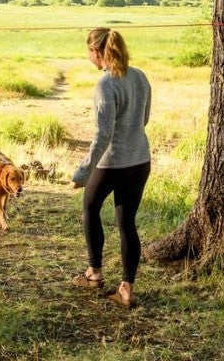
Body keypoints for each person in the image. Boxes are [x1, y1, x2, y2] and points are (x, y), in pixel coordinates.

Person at [70, 27, 151, 309]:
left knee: (90, 207)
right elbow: (145, 118)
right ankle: (126, 289)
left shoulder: (106, 84)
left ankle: (94, 272)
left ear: (96, 52)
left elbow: (103, 135)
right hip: (140, 161)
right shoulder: (139, 76)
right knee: (126, 223)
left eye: (88, 52)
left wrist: (83, 172)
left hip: (113, 163)